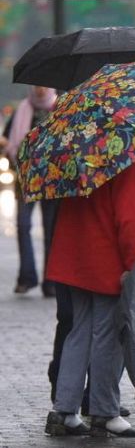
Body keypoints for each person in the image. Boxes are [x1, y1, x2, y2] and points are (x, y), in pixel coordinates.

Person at [44, 158, 135, 438]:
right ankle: (105, 412)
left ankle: (64, 411)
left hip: (76, 256)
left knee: (79, 331)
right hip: (108, 261)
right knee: (109, 337)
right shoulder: (130, 160)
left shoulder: (78, 153)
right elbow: (131, 220)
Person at [0, 86, 59, 297]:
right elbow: (7, 138)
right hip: (25, 177)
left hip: (52, 178)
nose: (40, 89)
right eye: (36, 85)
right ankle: (26, 277)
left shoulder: (58, 106)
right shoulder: (23, 109)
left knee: (51, 230)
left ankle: (51, 281)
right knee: (23, 225)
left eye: (43, 85)